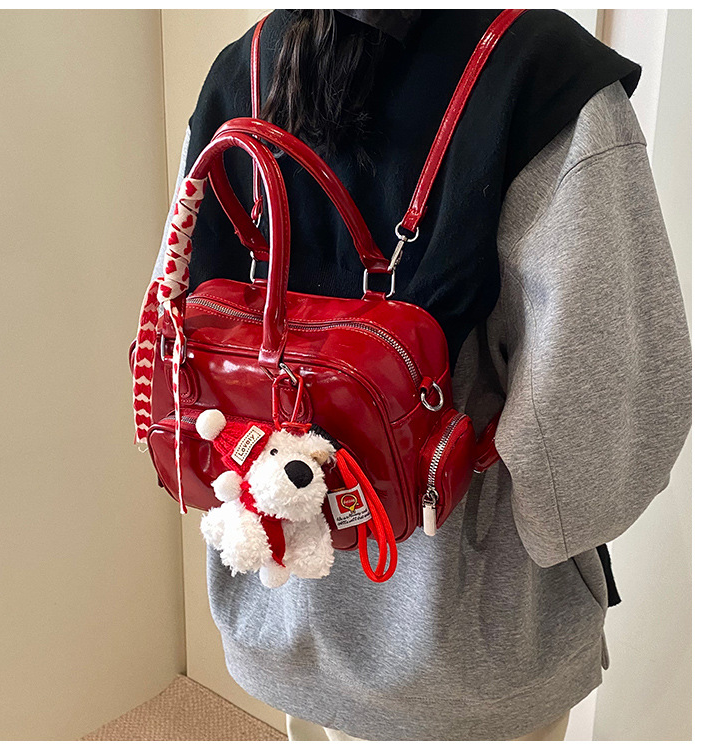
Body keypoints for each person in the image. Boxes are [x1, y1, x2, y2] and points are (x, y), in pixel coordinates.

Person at [150, 10, 692, 741]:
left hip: (278, 599)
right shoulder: (539, 73)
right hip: (465, 642)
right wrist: (560, 531)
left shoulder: (243, 66)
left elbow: (179, 328)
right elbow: (600, 418)